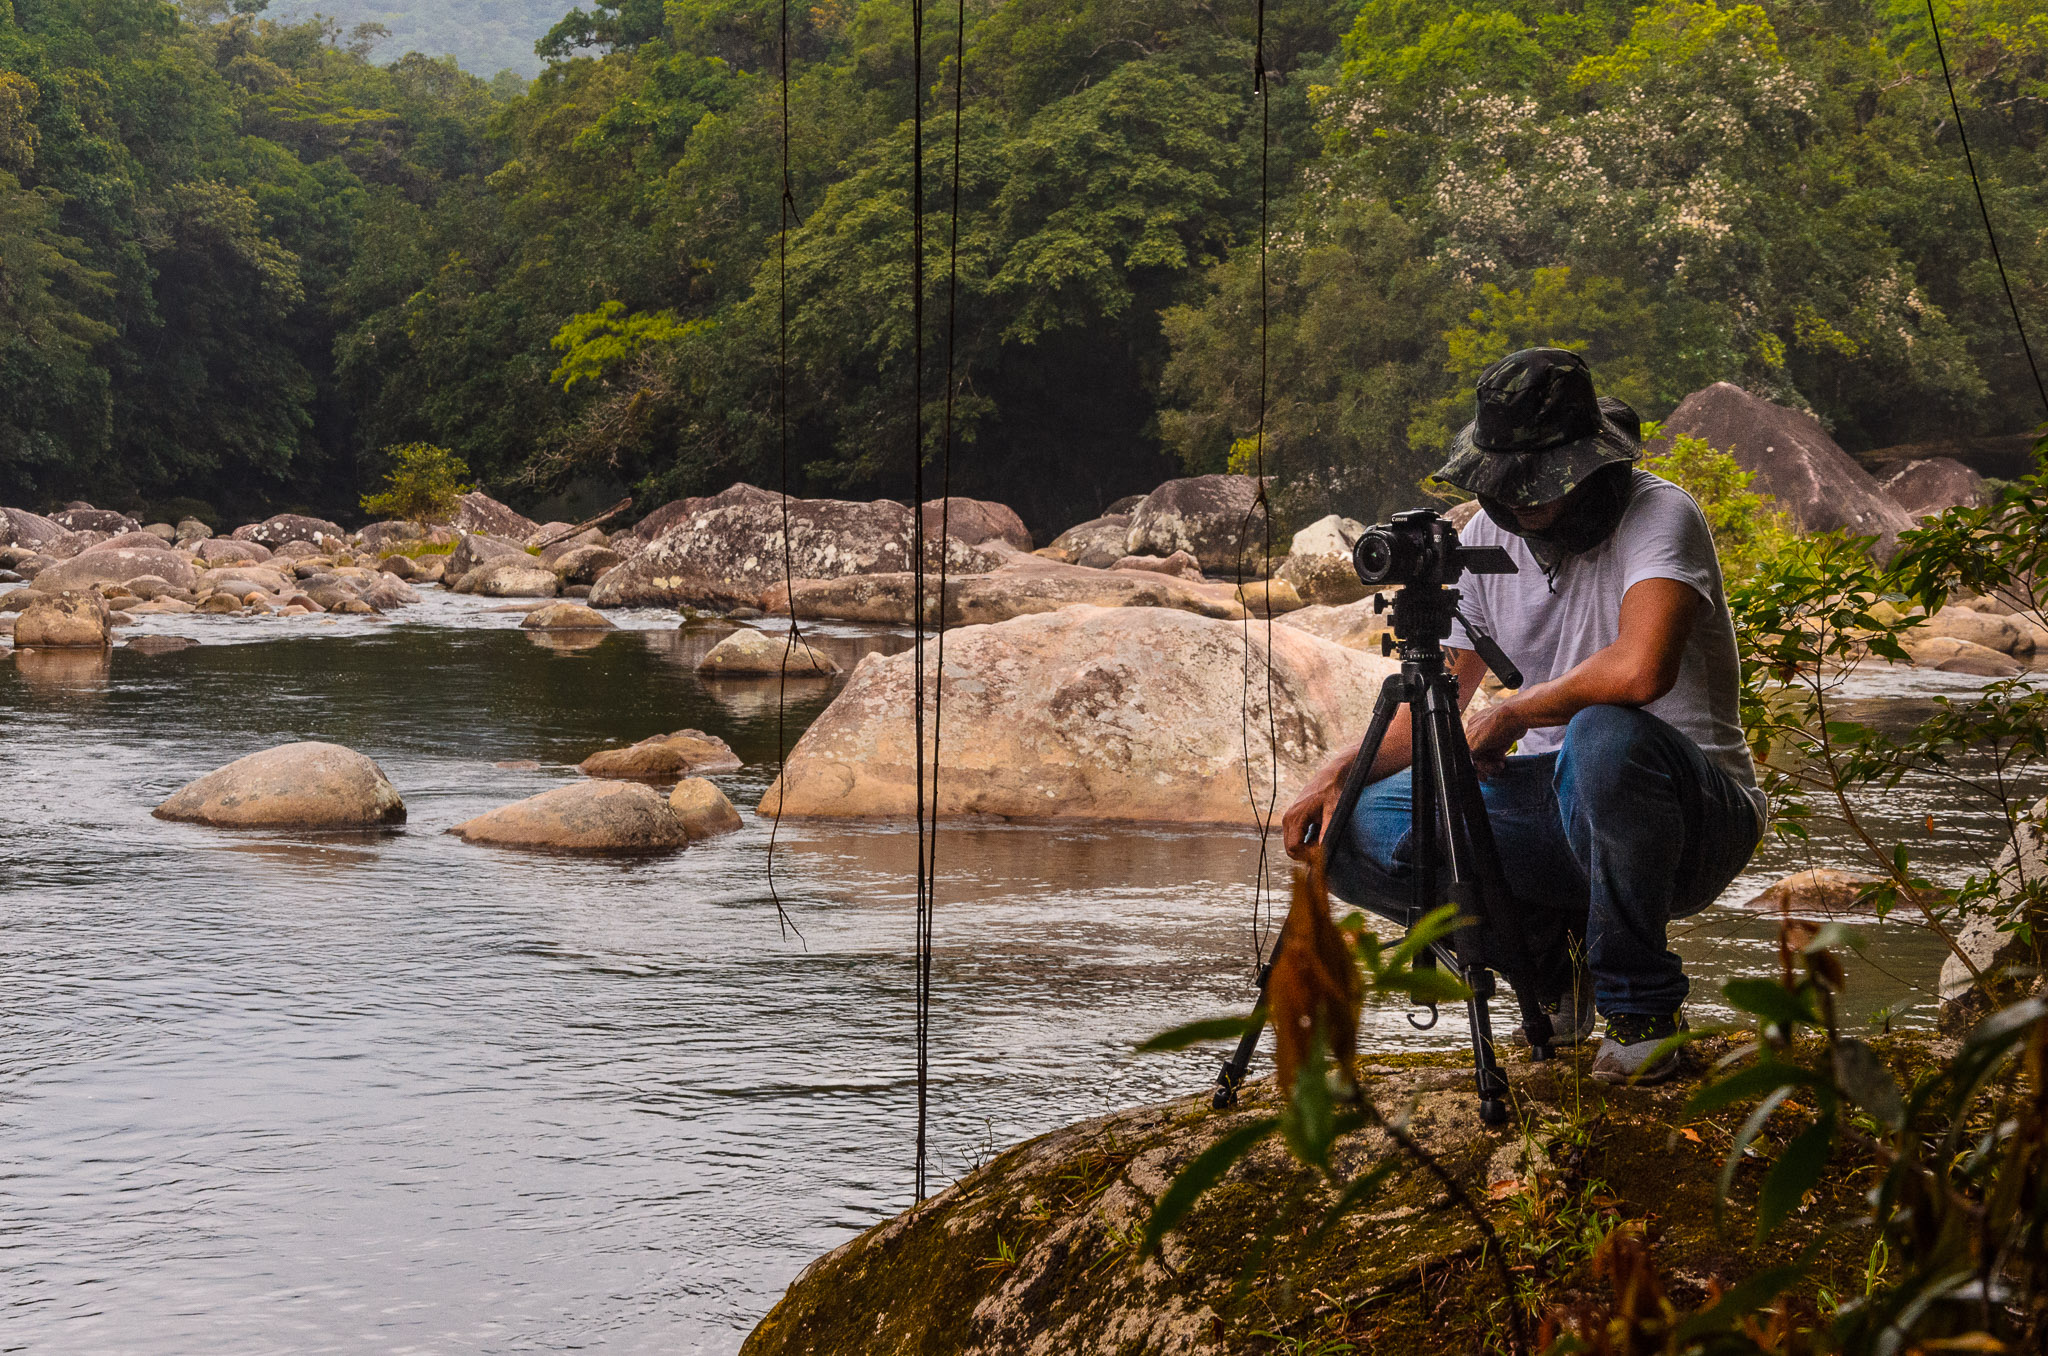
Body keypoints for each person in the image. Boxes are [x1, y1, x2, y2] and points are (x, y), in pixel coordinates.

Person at [1281, 347, 1765, 1085]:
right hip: (1551, 811)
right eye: (1511, 487)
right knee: (1352, 828)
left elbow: (1640, 670)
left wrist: (1514, 715)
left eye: (1540, 486)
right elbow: (1437, 706)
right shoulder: (1482, 536)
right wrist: (1334, 777)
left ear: (1590, 465)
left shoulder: (1659, 514)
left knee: (1603, 734)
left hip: (1687, 815)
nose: (1524, 503)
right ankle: (1551, 969)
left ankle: (1642, 1013)